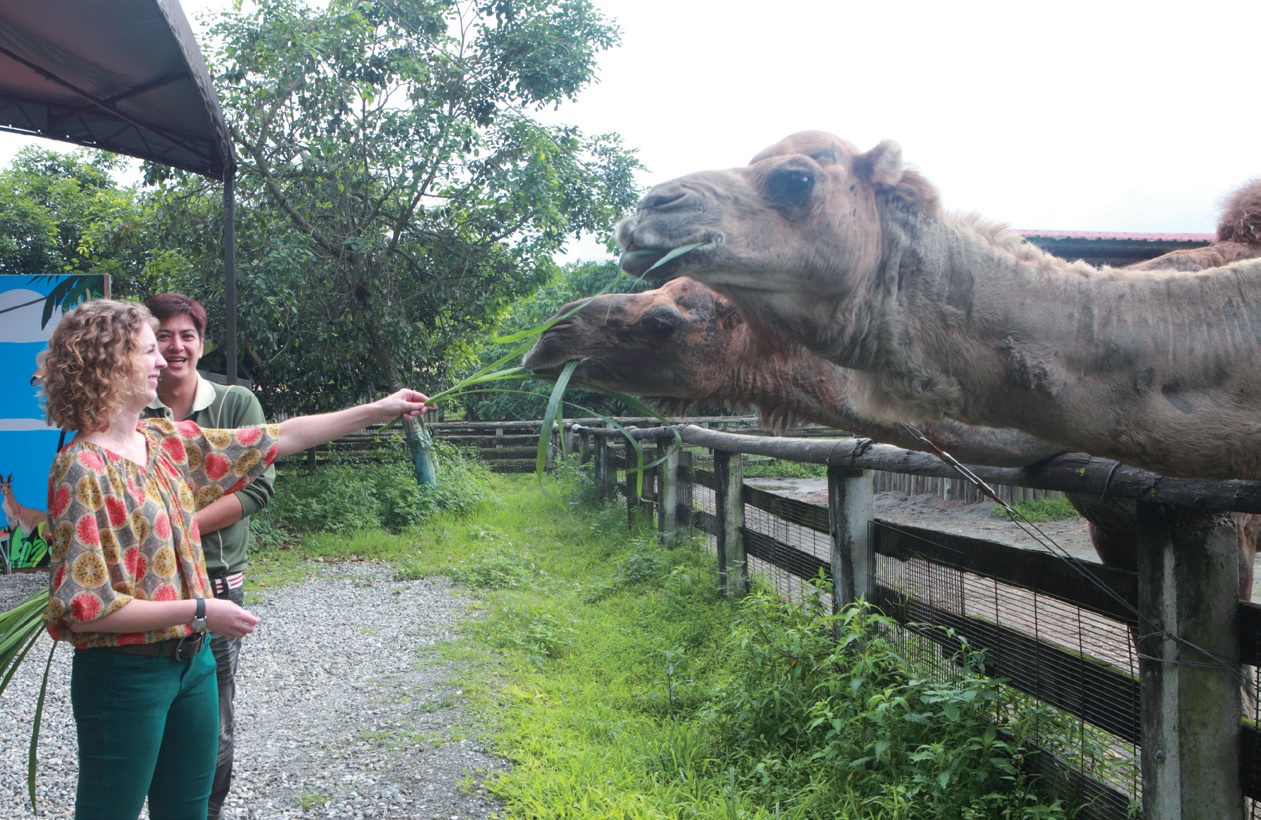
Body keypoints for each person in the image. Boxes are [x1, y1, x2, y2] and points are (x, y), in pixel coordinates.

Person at [38, 298, 429, 819]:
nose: (162, 360)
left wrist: (380, 409)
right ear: (109, 362)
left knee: (190, 810)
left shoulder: (163, 442)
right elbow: (87, 611)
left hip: (193, 663)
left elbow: (278, 437)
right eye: (149, 350)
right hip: (125, 675)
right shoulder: (81, 469)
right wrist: (202, 610)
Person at [141, 293, 273, 819]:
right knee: (148, 711)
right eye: (163, 336)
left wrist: (178, 529)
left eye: (187, 336)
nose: (175, 347)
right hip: (145, 588)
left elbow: (258, 488)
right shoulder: (130, 405)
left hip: (215, 585)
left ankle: (206, 811)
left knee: (213, 720)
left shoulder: (235, 403)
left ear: (201, 343)